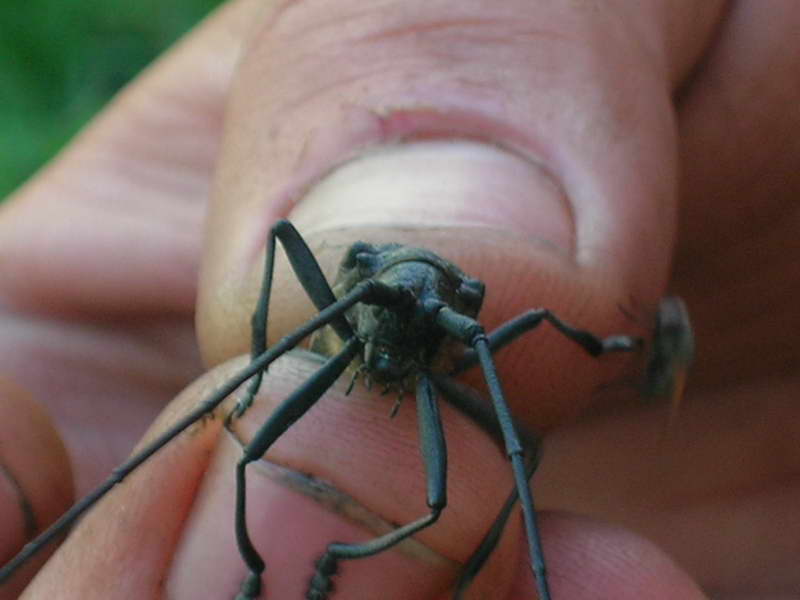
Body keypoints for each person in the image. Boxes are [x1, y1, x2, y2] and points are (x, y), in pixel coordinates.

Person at [1, 1, 797, 598]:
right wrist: (251, 369)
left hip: (442, 351)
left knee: (443, 491)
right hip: (348, 328)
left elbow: (512, 336)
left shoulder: (453, 335)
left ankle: (338, 558)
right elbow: (287, 244)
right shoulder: (358, 313)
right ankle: (256, 570)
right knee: (253, 461)